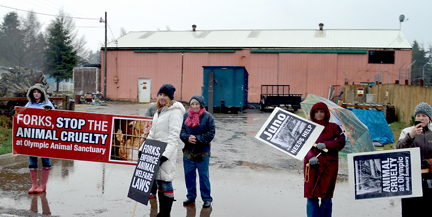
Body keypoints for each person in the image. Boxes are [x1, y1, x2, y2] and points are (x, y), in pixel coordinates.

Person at [139, 84, 185, 217]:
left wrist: (164, 156)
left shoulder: (175, 112)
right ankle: (161, 212)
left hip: (166, 153)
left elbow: (173, 137)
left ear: (170, 97)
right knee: (159, 181)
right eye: (160, 95)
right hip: (155, 152)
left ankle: (166, 214)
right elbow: (152, 134)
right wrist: (143, 149)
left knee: (166, 182)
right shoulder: (159, 111)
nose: (162, 97)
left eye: (165, 95)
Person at [303, 102, 345, 217]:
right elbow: (302, 145)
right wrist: (310, 156)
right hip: (312, 166)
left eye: (322, 111)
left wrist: (327, 144)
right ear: (313, 113)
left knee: (326, 196)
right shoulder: (308, 127)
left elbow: (341, 141)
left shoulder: (334, 128)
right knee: (311, 196)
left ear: (326, 113)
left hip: (329, 166)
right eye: (316, 112)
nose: (319, 114)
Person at [12, 84, 55, 194]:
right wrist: (15, 113)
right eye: (34, 92)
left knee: (45, 159)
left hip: (44, 137)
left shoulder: (47, 103)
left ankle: (43, 185)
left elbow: (55, 117)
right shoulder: (29, 104)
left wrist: (50, 112)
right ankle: (34, 185)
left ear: (42, 93)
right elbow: (22, 114)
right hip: (31, 137)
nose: (36, 94)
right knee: (32, 160)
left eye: (38, 92)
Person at [397, 102, 432, 216]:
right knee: (410, 211)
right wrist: (410, 136)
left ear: (429, 118)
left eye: (424, 116)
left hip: (429, 179)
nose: (421, 118)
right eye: (418, 115)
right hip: (410, 180)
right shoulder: (406, 131)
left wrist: (430, 162)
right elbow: (398, 150)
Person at [180, 95, 215, 208]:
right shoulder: (186, 116)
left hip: (202, 153)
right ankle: (191, 197)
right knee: (189, 176)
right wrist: (187, 138)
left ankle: (207, 198)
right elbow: (181, 132)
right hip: (188, 153)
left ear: (201, 105)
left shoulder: (208, 117)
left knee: (203, 176)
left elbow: (211, 133)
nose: (194, 106)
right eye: (192, 104)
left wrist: (197, 139)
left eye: (197, 104)